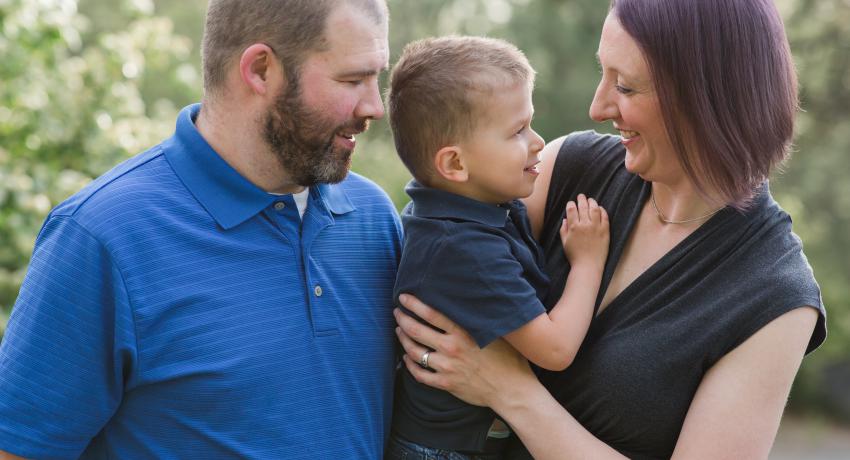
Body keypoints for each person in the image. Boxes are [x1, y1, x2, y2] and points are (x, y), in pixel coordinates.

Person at [394, 0, 827, 458]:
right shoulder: (571, 169)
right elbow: (438, 255)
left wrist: (511, 393)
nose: (598, 107)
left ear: (705, 97)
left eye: (625, 86)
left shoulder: (774, 295)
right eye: (603, 74)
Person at [0, 0, 401, 458]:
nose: (375, 106)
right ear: (261, 70)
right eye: (352, 80)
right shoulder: (103, 236)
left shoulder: (373, 217)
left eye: (378, 77)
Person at [384, 36, 609, 459]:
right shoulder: (462, 249)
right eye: (517, 131)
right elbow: (556, 349)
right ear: (454, 164)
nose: (538, 141)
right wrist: (588, 262)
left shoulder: (481, 211)